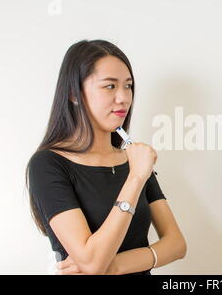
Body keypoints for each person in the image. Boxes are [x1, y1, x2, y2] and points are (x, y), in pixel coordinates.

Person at [25, 39, 187, 275]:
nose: (123, 98)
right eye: (110, 86)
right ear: (74, 94)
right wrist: (135, 180)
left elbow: (177, 244)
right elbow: (91, 261)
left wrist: (114, 266)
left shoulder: (135, 160)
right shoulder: (48, 164)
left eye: (128, 86)